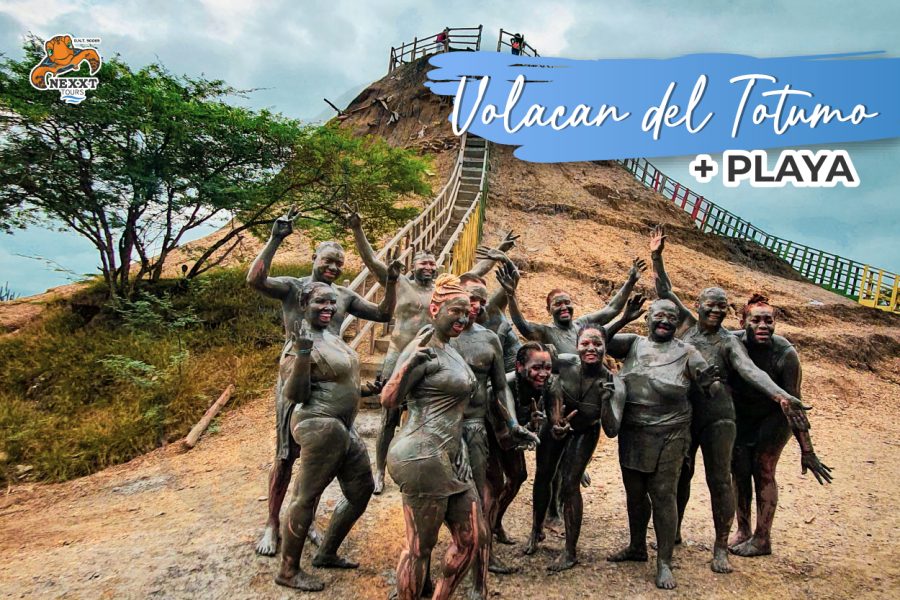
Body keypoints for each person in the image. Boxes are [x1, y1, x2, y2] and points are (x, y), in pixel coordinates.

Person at [649, 224, 810, 574]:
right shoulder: (686, 326)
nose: (717, 311)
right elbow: (665, 292)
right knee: (680, 474)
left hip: (720, 417)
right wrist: (656, 257)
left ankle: (721, 546)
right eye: (711, 304)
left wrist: (782, 395)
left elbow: (752, 372)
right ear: (699, 305)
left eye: (723, 306)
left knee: (719, 478)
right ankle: (673, 532)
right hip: (687, 414)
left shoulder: (729, 342)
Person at [247, 208, 398, 556]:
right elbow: (255, 280)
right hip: (298, 373)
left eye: (338, 264)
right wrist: (275, 238)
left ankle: (304, 522)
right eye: (327, 261)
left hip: (332, 380)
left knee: (320, 457)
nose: (332, 268)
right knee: (286, 455)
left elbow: (384, 314)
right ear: (314, 256)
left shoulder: (342, 295)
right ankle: (272, 523)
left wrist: (390, 281)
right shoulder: (294, 288)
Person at [346, 207, 516, 494]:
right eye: (423, 263)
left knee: (426, 413)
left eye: (432, 263)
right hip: (399, 353)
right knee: (388, 416)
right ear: (413, 266)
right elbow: (371, 260)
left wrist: (499, 249)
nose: (428, 267)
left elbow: (474, 273)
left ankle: (432, 460)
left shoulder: (443, 291)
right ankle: (379, 468)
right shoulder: (399, 283)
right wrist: (357, 230)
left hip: (433, 356)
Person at [497, 255, 646, 525]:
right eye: (558, 304)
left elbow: (611, 309)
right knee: (550, 463)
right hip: (557, 401)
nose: (564, 307)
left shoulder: (583, 327)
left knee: (570, 465)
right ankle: (550, 511)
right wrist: (511, 296)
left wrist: (631, 279)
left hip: (584, 401)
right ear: (549, 309)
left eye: (567, 303)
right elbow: (523, 327)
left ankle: (560, 507)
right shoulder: (546, 332)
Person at [605, 299, 726, 590]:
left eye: (672, 317)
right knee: (635, 493)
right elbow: (598, 338)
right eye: (659, 315)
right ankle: (636, 547)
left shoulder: (687, 352)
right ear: (648, 318)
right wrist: (623, 318)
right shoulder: (633, 344)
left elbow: (712, 387)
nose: (665, 321)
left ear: (678, 323)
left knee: (663, 495)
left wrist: (711, 383)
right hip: (632, 431)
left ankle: (664, 562)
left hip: (671, 433)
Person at [381, 274, 488, 600]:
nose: (463, 317)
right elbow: (388, 399)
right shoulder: (422, 346)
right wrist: (407, 364)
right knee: (419, 547)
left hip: (449, 455)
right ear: (434, 309)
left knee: (473, 538)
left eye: (467, 311)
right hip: (421, 455)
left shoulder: (449, 348)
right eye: (455, 311)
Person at [274, 283, 380, 591]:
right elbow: (295, 393)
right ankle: (288, 570)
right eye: (321, 301)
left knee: (361, 490)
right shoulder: (299, 343)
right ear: (304, 304)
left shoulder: (331, 336)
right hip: (319, 425)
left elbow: (338, 380)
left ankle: (326, 552)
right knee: (305, 497)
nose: (329, 307)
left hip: (343, 427)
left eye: (332, 303)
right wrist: (304, 353)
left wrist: (364, 390)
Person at [452, 273, 539, 594]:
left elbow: (515, 366)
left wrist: (517, 423)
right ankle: (469, 555)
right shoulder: (442, 331)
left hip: (491, 418)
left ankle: (484, 548)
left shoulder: (496, 329)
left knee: (504, 481)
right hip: (455, 425)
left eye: (480, 299)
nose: (476, 305)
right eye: (470, 298)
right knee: (470, 490)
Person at [729, 294, 832, 557]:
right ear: (743, 321)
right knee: (739, 470)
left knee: (763, 469)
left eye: (768, 320)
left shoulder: (786, 354)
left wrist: (807, 450)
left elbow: (794, 405)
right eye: (756, 320)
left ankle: (762, 538)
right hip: (742, 416)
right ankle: (743, 530)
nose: (763, 326)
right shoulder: (732, 345)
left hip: (775, 418)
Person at [524, 325, 627, 572]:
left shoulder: (614, 383)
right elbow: (540, 378)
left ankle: (570, 551)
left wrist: (605, 404)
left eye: (597, 343)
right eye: (585, 343)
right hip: (554, 425)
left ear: (605, 347)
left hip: (585, 431)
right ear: (577, 345)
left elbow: (612, 430)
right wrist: (551, 418)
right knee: (543, 476)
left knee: (570, 484)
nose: (591, 348)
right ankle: (536, 530)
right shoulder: (565, 363)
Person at [490, 342, 552, 545]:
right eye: (536, 368)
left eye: (547, 368)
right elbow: (504, 440)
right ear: (519, 366)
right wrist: (527, 425)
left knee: (518, 476)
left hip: (512, 435)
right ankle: (484, 538)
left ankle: (495, 524)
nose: (543, 373)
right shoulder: (501, 388)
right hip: (486, 435)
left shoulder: (543, 386)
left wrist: (533, 425)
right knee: (493, 486)